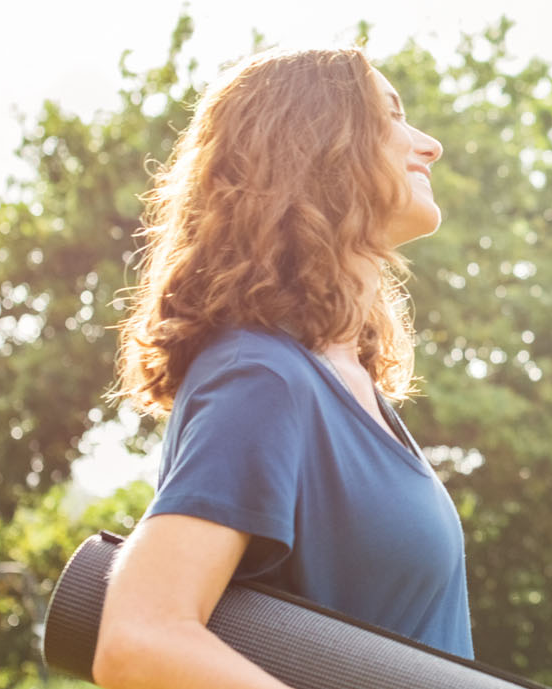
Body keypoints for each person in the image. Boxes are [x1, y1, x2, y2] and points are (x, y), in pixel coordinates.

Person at [92, 48, 456, 689]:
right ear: (318, 146)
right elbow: (139, 636)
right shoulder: (262, 376)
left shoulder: (342, 380)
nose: (429, 145)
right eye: (391, 117)